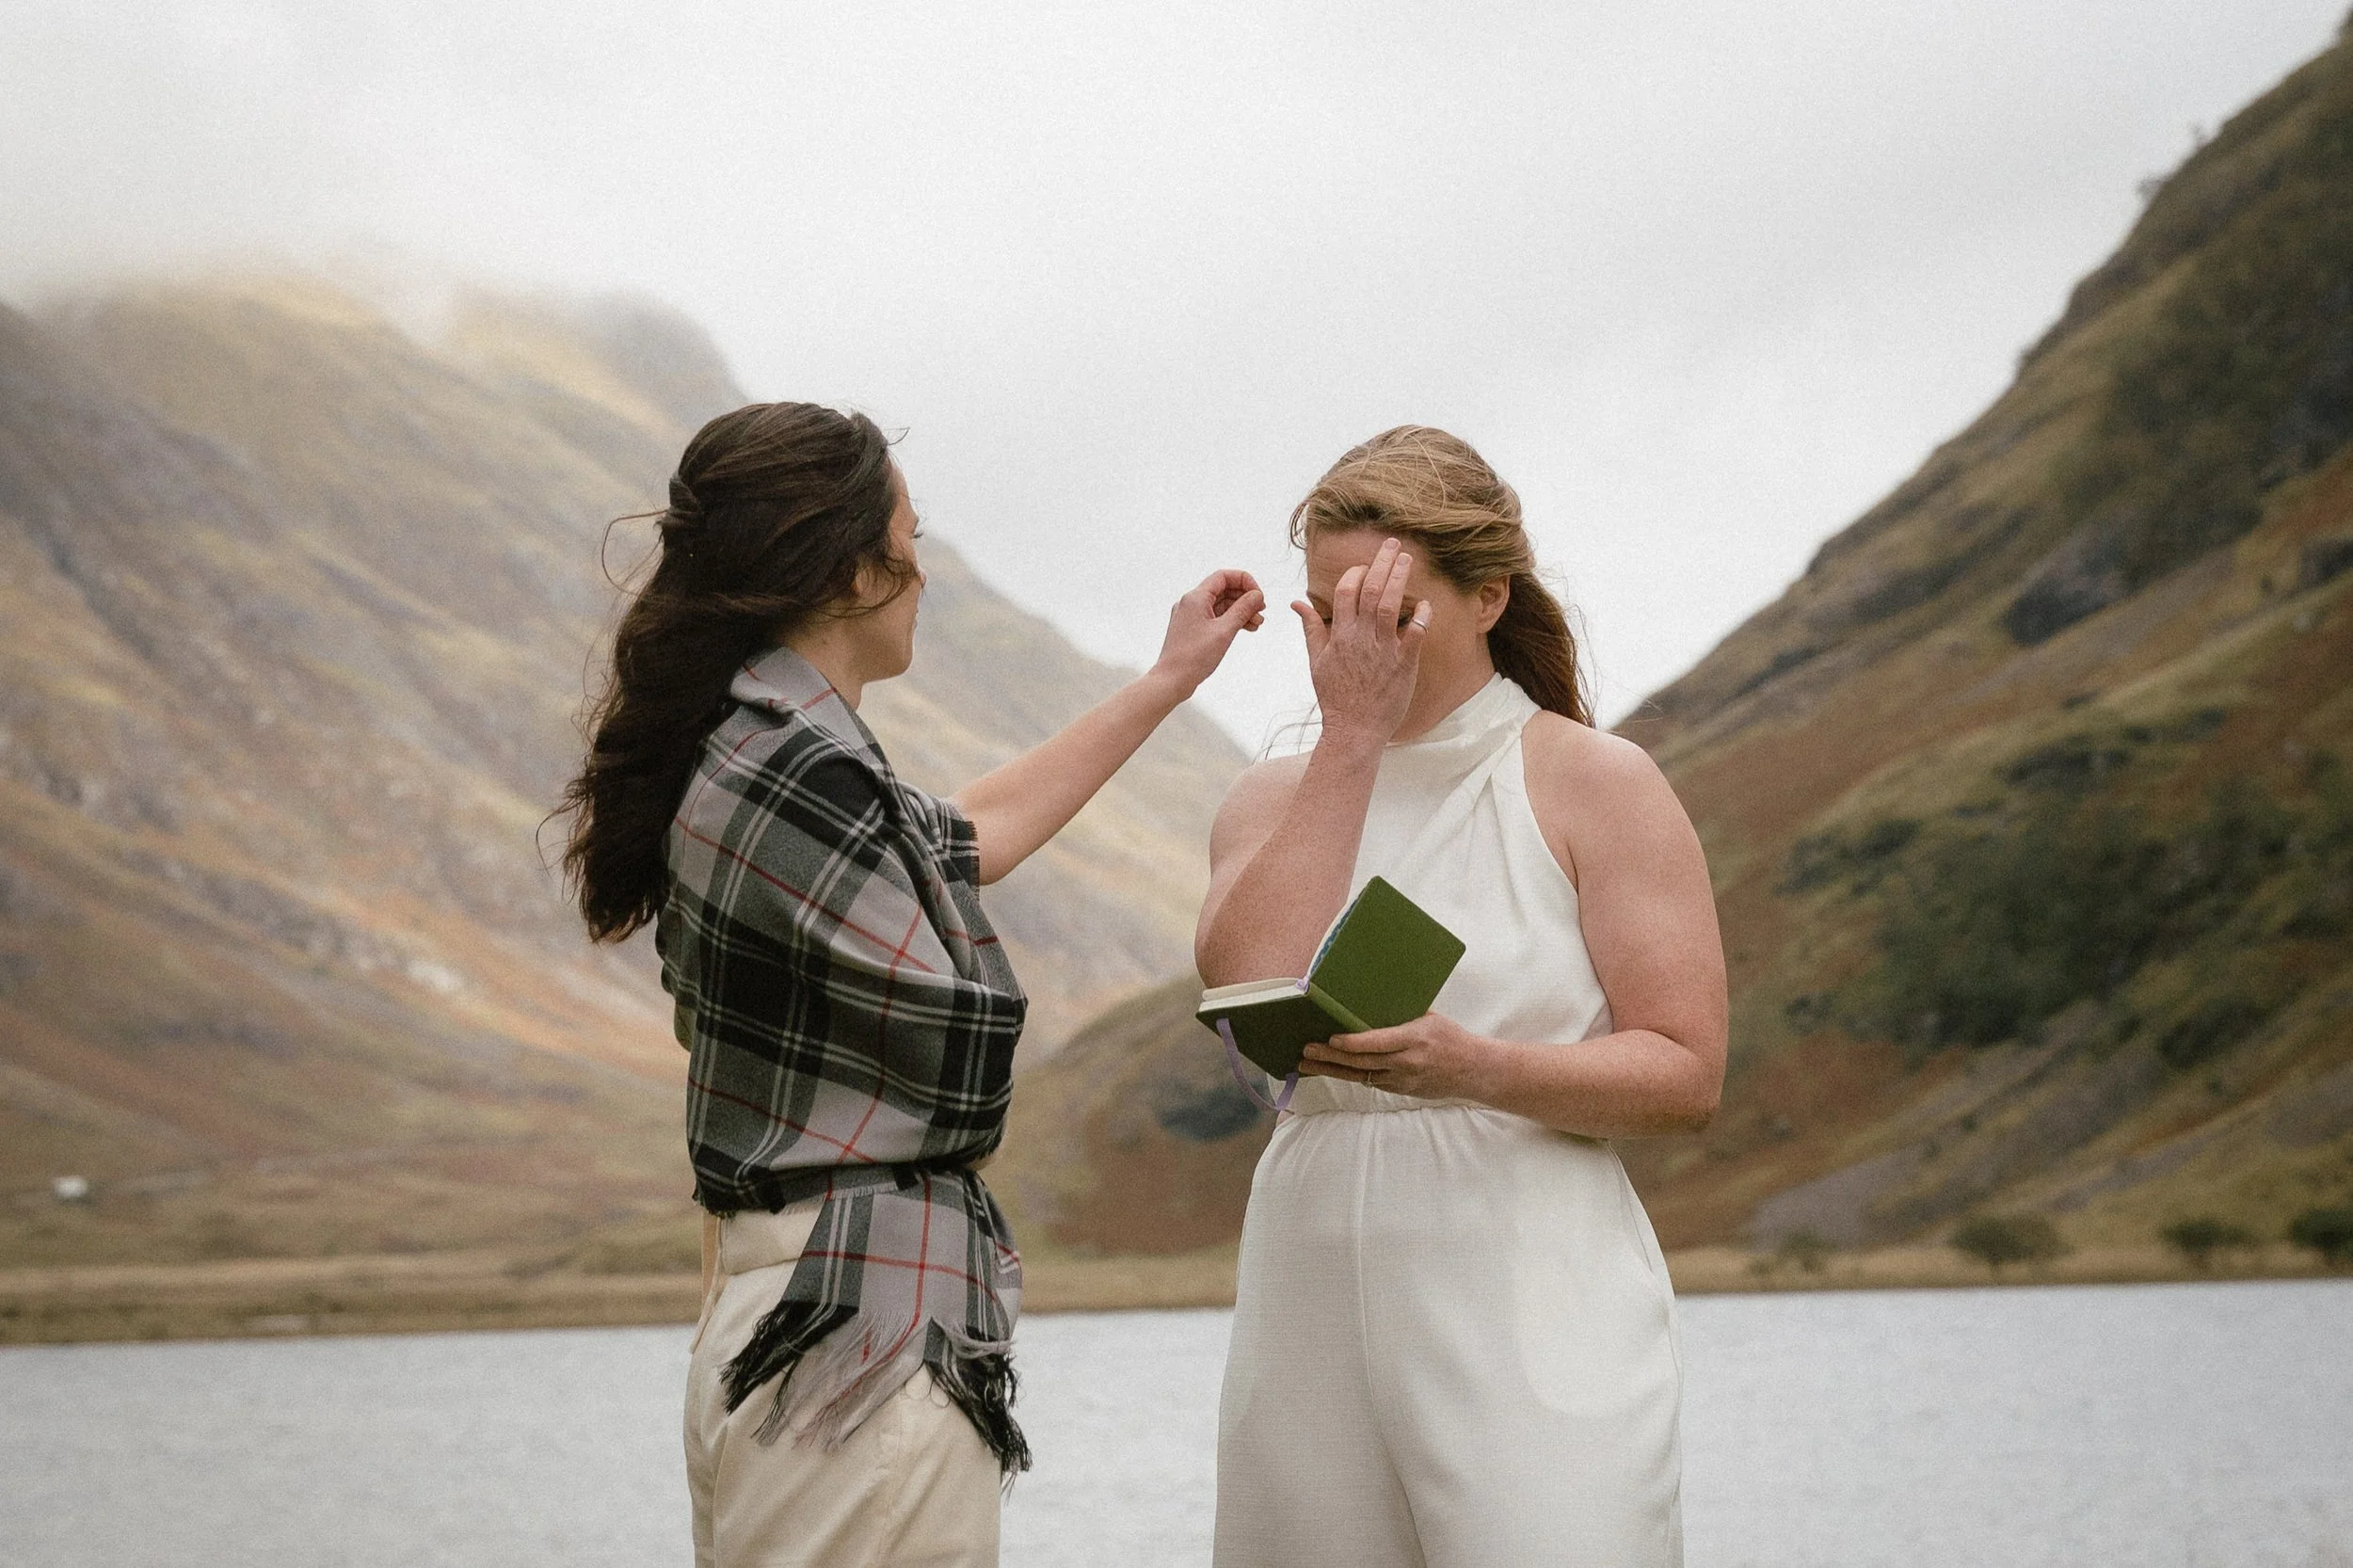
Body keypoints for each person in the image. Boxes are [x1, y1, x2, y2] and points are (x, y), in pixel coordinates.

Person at [558, 401, 1262, 1568]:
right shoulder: (801, 765)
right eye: (911, 537)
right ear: (850, 570)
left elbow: (964, 837)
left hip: (793, 1307)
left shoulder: (760, 745)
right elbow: (965, 1036)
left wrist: (1167, 680)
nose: (925, 571)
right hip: (859, 1329)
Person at [1196, 425, 1727, 1568]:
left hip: (1530, 1280)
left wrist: (1478, 1066)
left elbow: (1685, 1071)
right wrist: (1350, 733)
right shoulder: (1268, 796)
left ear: (1487, 595)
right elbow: (1245, 985)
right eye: (1327, 609)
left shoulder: (1595, 781)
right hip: (1309, 1280)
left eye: (1388, 603)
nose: (1356, 636)